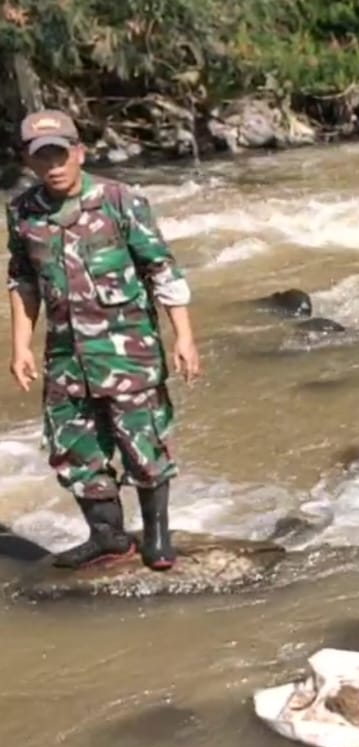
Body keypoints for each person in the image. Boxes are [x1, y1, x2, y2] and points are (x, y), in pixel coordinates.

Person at [6, 109, 201, 571]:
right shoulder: (24, 212)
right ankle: (107, 538)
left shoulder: (121, 200)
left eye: (59, 153)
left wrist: (185, 338)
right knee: (75, 449)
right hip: (65, 359)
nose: (52, 165)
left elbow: (162, 269)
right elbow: (22, 281)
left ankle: (156, 537)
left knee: (144, 444)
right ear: (29, 162)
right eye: (41, 157)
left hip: (128, 353)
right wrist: (19, 346)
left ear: (79, 152)